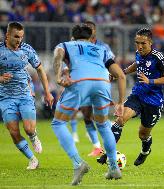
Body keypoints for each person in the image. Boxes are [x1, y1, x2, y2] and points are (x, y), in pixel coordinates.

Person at [52, 24, 126, 185]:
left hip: (80, 81)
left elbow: (58, 55)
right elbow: (120, 75)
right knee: (103, 124)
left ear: (73, 37)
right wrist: (120, 102)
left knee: (58, 123)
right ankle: (113, 167)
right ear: (90, 38)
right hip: (102, 83)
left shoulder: (66, 45)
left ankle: (78, 163)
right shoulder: (100, 49)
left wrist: (58, 78)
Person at [97, 28, 164, 166]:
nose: (139, 46)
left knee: (143, 134)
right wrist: (121, 73)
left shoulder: (158, 57)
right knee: (120, 120)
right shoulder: (139, 53)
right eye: (137, 43)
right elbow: (137, 65)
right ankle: (109, 152)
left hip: (154, 101)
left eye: (143, 43)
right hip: (138, 95)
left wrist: (150, 81)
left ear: (150, 42)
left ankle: (145, 151)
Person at [0, 22, 54, 169]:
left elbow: (41, 70)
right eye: (16, 36)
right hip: (5, 97)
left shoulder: (26, 49)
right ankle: (32, 159)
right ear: (7, 35)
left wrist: (47, 93)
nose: (19, 40)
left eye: (21, 37)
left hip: (25, 94)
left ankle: (33, 136)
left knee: (29, 129)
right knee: (13, 131)